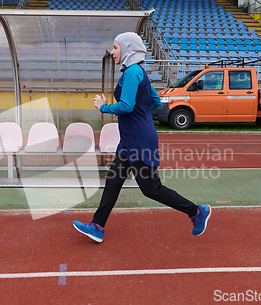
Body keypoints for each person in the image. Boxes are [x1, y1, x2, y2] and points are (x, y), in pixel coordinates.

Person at [72, 32, 211, 243]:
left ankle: (197, 212)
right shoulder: (138, 72)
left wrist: (104, 107)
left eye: (116, 47)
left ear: (128, 49)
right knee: (113, 181)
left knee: (151, 189)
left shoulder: (132, 73)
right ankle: (97, 226)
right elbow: (154, 102)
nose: (112, 52)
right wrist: (139, 113)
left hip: (138, 141)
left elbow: (127, 106)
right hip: (130, 140)